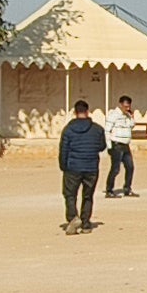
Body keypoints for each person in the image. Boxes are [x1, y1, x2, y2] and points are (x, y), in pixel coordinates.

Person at [58, 99, 104, 231]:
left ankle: (73, 217)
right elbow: (102, 146)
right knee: (88, 195)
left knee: (70, 194)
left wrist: (63, 166)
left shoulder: (68, 130)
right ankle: (85, 223)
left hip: (73, 167)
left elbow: (63, 150)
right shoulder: (97, 129)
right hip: (91, 167)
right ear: (88, 112)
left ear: (75, 112)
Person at [104, 95, 139, 198]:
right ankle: (109, 190)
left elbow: (131, 125)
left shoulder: (127, 115)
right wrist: (109, 146)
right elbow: (107, 130)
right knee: (115, 169)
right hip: (116, 144)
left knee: (130, 167)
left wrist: (132, 117)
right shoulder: (113, 115)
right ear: (120, 105)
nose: (127, 108)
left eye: (128, 106)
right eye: (125, 106)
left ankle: (127, 188)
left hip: (125, 145)